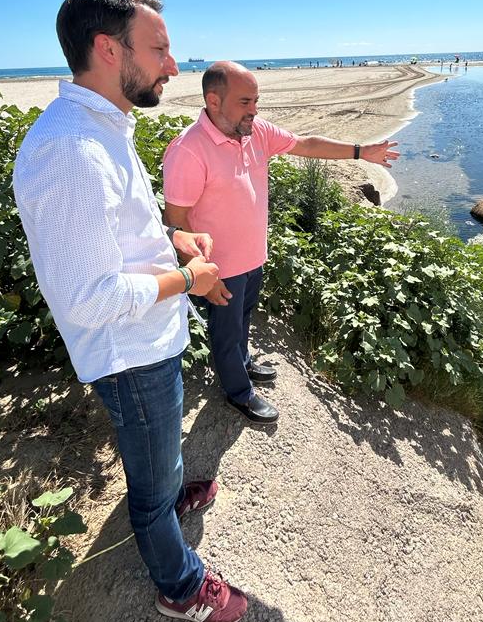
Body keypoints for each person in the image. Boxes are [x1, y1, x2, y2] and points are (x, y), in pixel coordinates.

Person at [13, 0, 247, 622]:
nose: (175, 65)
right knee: (146, 484)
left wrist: (173, 238)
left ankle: (171, 498)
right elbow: (91, 301)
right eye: (161, 49)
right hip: (128, 350)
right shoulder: (71, 149)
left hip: (150, 335)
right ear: (108, 49)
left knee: (163, 453)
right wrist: (190, 277)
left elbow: (119, 228)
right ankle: (179, 584)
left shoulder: (104, 126)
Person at [162, 60, 399, 424]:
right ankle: (237, 393)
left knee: (242, 321)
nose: (254, 110)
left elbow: (304, 144)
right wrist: (200, 275)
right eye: (245, 102)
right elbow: (176, 222)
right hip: (218, 266)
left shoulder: (255, 132)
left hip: (252, 255)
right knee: (225, 333)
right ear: (213, 100)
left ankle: (242, 365)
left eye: (256, 100)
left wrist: (360, 151)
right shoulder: (188, 150)